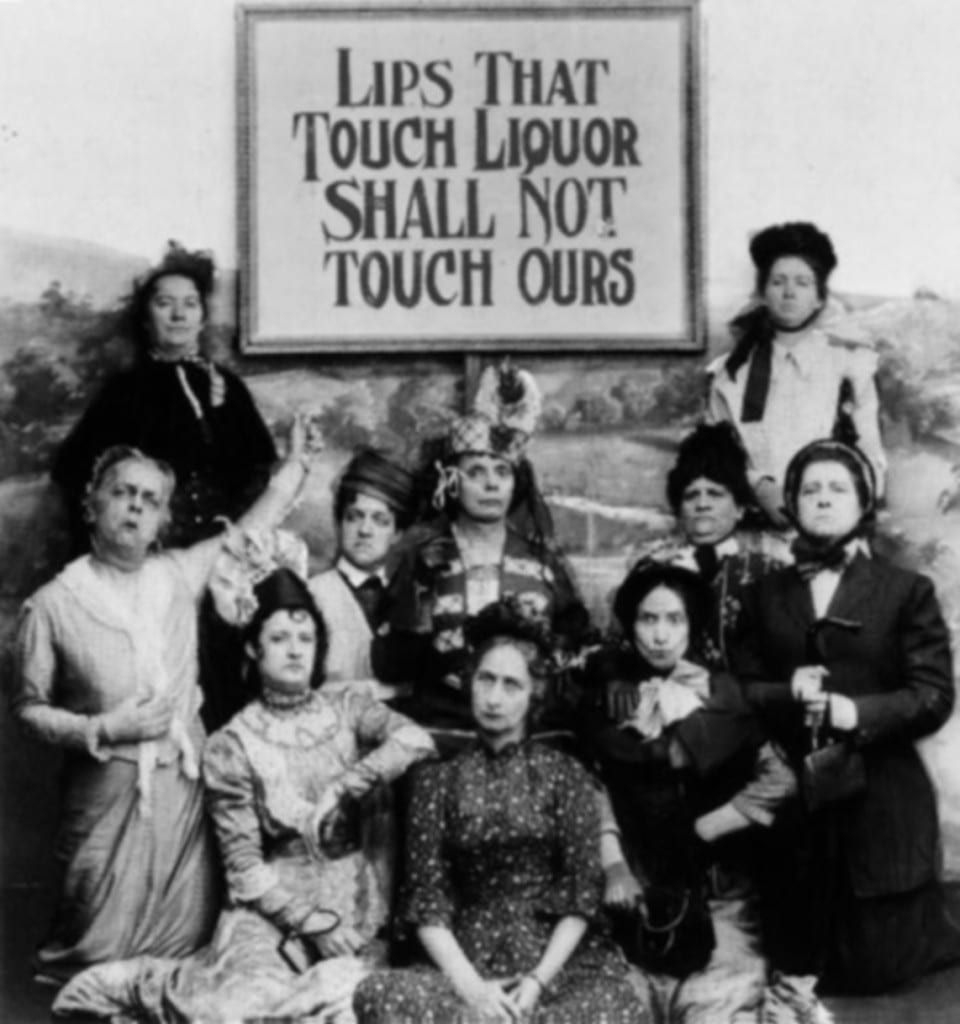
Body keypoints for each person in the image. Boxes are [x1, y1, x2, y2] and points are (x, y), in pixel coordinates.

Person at [52, 567, 435, 1023]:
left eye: (305, 638)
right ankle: (147, 984)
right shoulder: (231, 745)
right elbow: (245, 870)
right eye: (279, 638)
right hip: (271, 913)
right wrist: (311, 924)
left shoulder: (349, 708)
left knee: (347, 1003)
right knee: (239, 1010)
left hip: (355, 900)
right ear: (254, 648)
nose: (295, 649)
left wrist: (346, 784)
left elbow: (416, 740)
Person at [9, 425, 313, 985]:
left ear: (162, 521)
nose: (136, 507)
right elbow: (28, 712)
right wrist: (102, 727)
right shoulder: (52, 605)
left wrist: (294, 466)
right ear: (92, 503)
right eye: (123, 492)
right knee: (93, 958)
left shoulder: (176, 574)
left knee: (184, 956)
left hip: (184, 790)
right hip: (105, 792)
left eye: (151, 500)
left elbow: (249, 529)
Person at [731, 438, 960, 994]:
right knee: (800, 965)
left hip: (881, 802)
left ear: (862, 504)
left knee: (878, 970)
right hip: (797, 804)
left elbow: (933, 695)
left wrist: (853, 711)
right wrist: (786, 692)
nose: (824, 499)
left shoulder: (906, 591)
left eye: (838, 488)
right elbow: (739, 692)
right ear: (792, 505)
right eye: (810, 490)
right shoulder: (764, 596)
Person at [354, 600, 644, 1024]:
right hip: (467, 962)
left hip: (557, 966)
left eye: (512, 685)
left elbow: (581, 896)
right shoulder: (436, 780)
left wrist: (537, 983)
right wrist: (473, 992)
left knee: (615, 1006)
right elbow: (426, 901)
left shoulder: (566, 776)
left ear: (534, 695)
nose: (494, 698)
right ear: (469, 683)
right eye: (486, 680)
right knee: (377, 993)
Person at [578, 561, 803, 1022]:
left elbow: (780, 779)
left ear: (691, 626)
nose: (661, 635)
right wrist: (614, 863)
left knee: (712, 1008)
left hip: (717, 896)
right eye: (648, 619)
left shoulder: (722, 696)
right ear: (631, 625)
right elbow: (590, 781)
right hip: (633, 888)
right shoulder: (608, 696)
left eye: (674, 620)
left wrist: (707, 827)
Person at [375, 364, 588, 741]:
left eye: (502, 473)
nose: (491, 484)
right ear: (452, 483)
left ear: (515, 483)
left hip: (527, 731)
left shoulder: (542, 561)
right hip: (442, 725)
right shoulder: (423, 557)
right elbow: (391, 659)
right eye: (476, 472)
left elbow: (575, 635)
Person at [52, 241, 277, 549]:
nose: (178, 315)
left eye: (190, 304)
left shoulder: (229, 385)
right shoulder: (123, 391)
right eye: (165, 303)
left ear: (202, 319)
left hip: (225, 549)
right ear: (146, 320)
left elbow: (258, 469)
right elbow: (75, 473)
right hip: (148, 553)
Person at [707, 221, 886, 527]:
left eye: (803, 283)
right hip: (754, 529)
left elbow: (870, 457)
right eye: (778, 282)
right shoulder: (731, 374)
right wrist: (760, 488)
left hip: (832, 527)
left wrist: (830, 502)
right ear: (763, 294)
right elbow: (715, 457)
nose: (789, 292)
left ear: (818, 298)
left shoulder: (848, 367)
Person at [630, 422, 790, 669]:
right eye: (691, 495)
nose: (702, 504)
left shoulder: (769, 569)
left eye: (715, 494)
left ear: (739, 508)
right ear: (679, 510)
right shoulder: (651, 568)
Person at [309, 448, 416, 688]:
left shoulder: (410, 595)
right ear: (339, 523)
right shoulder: (313, 595)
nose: (365, 531)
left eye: (380, 521)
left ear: (397, 533)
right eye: (354, 517)